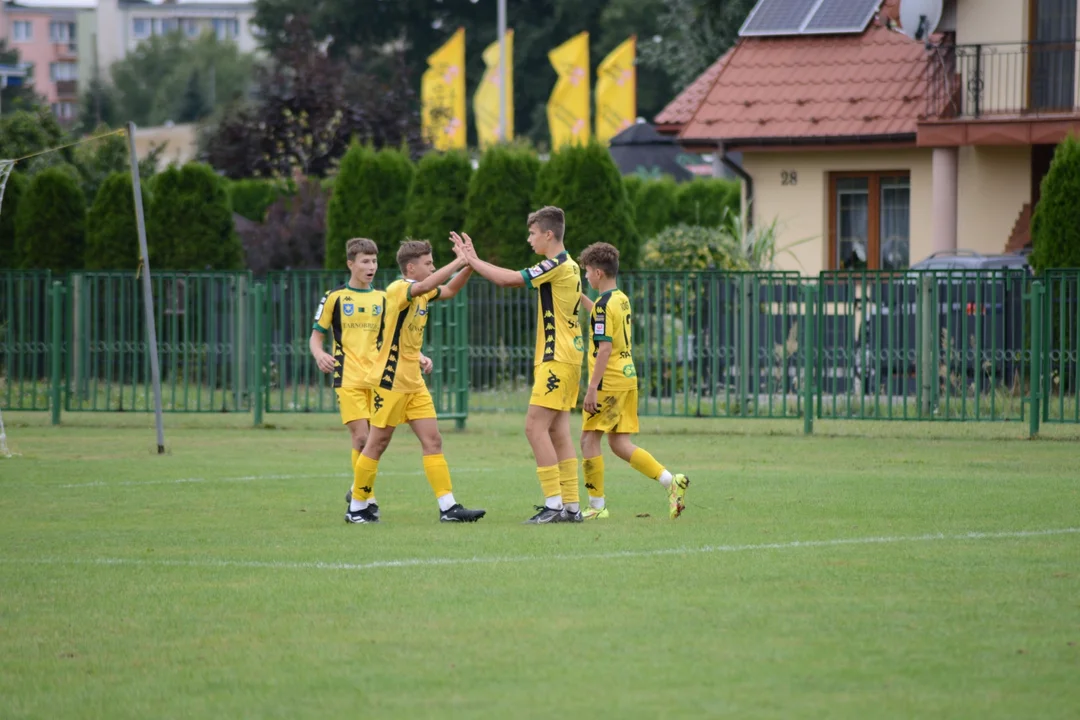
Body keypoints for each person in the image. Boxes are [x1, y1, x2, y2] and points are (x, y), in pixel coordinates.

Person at [450, 206, 585, 524]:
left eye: (533, 233)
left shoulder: (556, 264)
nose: (529, 239)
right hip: (568, 359)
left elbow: (509, 279)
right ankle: (571, 507)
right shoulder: (571, 265)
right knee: (558, 432)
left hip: (557, 359)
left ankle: (553, 506)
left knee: (533, 427)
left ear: (548, 234)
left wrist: (472, 260)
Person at [345, 240, 485, 524]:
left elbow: (450, 289)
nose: (432, 267)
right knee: (377, 442)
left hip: (414, 382)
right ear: (411, 267)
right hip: (389, 380)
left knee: (433, 440)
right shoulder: (399, 288)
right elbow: (423, 286)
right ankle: (357, 506)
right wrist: (456, 262)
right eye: (428, 263)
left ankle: (448, 507)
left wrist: (470, 263)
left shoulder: (423, 292)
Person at [311, 238, 433, 519]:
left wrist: (420, 355)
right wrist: (319, 355)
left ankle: (358, 492)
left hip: (379, 379)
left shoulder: (383, 298)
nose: (371, 267)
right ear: (350, 264)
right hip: (348, 378)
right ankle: (365, 497)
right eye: (365, 261)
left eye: (374, 261)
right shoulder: (335, 297)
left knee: (374, 440)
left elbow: (397, 336)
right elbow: (315, 336)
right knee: (362, 436)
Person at [576, 242, 690, 519]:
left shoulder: (604, 306)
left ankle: (596, 507)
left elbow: (604, 347)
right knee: (618, 443)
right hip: (627, 377)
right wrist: (580, 297)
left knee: (588, 441)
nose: (586, 277)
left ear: (599, 273)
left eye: (588, 272)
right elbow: (602, 316)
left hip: (609, 382)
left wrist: (591, 388)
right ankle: (670, 481)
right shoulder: (620, 298)